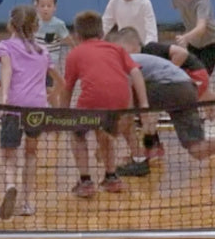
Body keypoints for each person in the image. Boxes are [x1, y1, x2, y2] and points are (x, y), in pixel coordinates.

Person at [115, 39, 215, 172]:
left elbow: (131, 108)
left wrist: (108, 138)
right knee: (197, 149)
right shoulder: (132, 60)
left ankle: (139, 158)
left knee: (125, 109)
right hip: (187, 88)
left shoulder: (123, 62)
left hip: (173, 87)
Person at [62, 10, 150, 197]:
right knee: (105, 134)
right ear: (101, 33)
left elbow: (67, 87)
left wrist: (63, 113)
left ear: (77, 36)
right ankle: (111, 177)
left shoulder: (75, 53)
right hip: (120, 100)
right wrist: (143, 103)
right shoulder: (116, 49)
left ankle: (86, 181)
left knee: (77, 135)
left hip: (93, 101)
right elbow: (135, 73)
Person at [0, 4, 63, 219]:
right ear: (35, 27)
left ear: (10, 24)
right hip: (37, 108)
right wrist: (51, 96)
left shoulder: (5, 46)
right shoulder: (43, 51)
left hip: (14, 107)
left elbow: (6, 71)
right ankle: (27, 202)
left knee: (8, 154)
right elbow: (61, 81)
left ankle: (10, 184)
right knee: (31, 154)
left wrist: (4, 96)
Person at [33, 0, 70, 74]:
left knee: (50, 86)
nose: (45, 9)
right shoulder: (33, 23)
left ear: (54, 7)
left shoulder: (58, 24)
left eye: (49, 6)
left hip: (52, 63)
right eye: (42, 6)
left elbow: (68, 40)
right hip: (35, 62)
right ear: (37, 7)